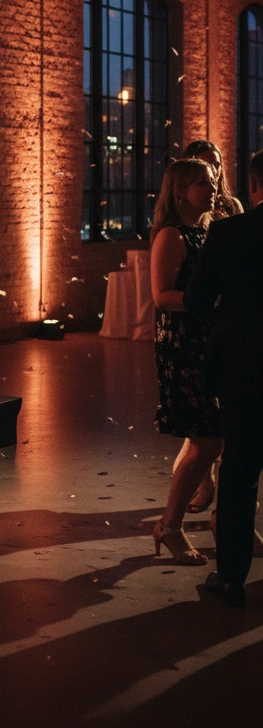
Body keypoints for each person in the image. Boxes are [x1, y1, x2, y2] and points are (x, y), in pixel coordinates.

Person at [185, 149, 263, 606]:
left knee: (239, 470)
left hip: (243, 364)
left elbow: (196, 301)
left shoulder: (229, 232)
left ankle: (230, 578)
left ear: (253, 186)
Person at [149, 158, 223, 565]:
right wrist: (211, 302)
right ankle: (170, 525)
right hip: (183, 346)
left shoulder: (204, 230)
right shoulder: (172, 236)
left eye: (211, 183)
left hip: (206, 341)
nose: (212, 191)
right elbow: (161, 296)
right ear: (180, 192)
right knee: (207, 436)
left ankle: (183, 523)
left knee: (214, 435)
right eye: (202, 184)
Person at [178, 140, 243, 512]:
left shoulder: (230, 208)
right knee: (203, 417)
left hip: (225, 312)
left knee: (223, 413)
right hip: (202, 310)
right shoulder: (183, 216)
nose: (212, 173)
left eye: (215, 165)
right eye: (203, 167)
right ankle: (207, 480)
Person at [183, 139, 243, 221]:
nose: (213, 170)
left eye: (217, 165)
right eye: (206, 165)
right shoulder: (182, 206)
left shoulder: (232, 205)